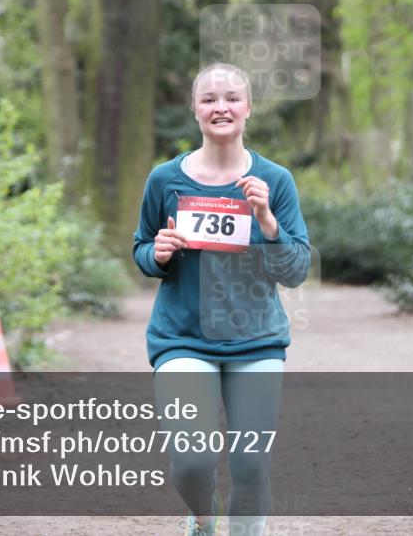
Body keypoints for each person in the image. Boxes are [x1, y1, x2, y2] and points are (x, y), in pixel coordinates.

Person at [132, 62, 311, 536]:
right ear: (195, 109)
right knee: (191, 462)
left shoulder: (276, 181)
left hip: (256, 341)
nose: (221, 107)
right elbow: (142, 249)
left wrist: (268, 221)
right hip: (182, 337)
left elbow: (295, 270)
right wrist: (160, 252)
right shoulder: (165, 180)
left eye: (231, 97)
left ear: (248, 108)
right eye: (209, 99)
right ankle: (203, 516)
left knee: (251, 467)